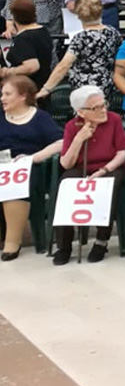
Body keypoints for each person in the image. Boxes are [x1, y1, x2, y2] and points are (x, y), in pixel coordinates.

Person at [50, 85, 125, 265]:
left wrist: (104, 170)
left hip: (110, 166)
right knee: (65, 186)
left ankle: (101, 242)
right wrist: (79, 139)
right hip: (81, 167)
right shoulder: (72, 126)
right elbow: (66, 163)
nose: (103, 110)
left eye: (104, 105)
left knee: (109, 187)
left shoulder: (114, 120)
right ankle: (64, 245)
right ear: (81, 112)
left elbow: (122, 153)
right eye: (96, 108)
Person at [0, 76, 63, 260]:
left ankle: (12, 242)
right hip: (2, 164)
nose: (2, 98)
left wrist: (32, 158)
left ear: (23, 96)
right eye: (2, 94)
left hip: (28, 167)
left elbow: (61, 142)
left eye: (7, 94)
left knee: (15, 185)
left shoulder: (40, 118)